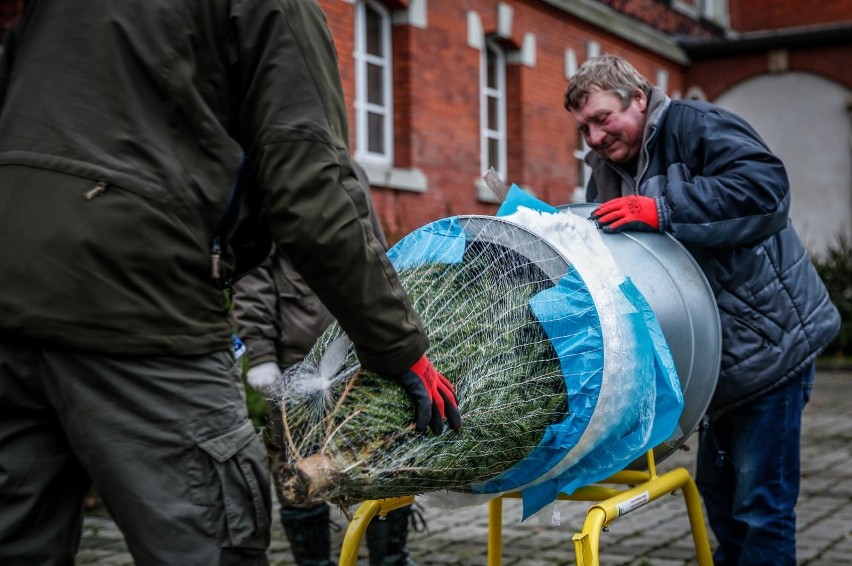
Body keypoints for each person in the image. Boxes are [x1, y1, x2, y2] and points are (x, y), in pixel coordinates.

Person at [0, 2, 460, 565]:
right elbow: (313, 194)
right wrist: (399, 346)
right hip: (141, 300)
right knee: (213, 536)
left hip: (10, 291)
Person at [564, 54, 840, 565]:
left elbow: (766, 190)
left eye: (604, 119)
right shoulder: (603, 174)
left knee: (762, 508)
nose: (596, 138)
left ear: (639, 99)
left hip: (770, 348)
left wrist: (663, 209)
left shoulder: (698, 126)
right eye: (585, 129)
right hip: (710, 364)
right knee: (720, 501)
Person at [232, 163, 416, 566]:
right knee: (300, 468)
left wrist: (393, 336)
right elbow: (254, 274)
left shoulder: (352, 172)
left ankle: (391, 559)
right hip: (297, 360)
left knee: (385, 457)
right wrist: (261, 355)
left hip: (361, 354)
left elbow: (376, 254)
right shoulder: (268, 176)